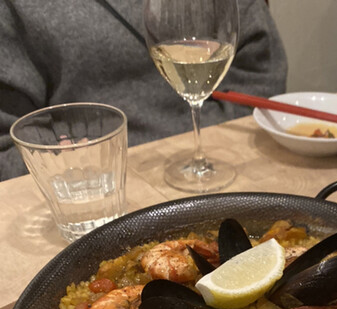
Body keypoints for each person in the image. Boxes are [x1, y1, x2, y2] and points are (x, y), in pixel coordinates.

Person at [0, 0, 287, 181]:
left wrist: (194, 146)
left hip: (224, 161)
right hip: (95, 184)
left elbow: (260, 84)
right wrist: (74, 162)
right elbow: (9, 145)